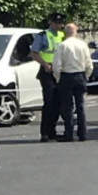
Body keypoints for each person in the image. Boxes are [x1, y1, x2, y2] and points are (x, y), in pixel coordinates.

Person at [52, 23, 93, 142]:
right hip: (80, 75)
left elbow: (57, 65)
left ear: (65, 32)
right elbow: (89, 64)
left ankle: (69, 134)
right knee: (80, 106)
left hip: (66, 76)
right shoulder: (83, 45)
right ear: (76, 32)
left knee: (67, 106)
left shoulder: (62, 46)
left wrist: (58, 78)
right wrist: (86, 76)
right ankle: (83, 133)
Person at [31, 12, 66, 142]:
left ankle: (53, 131)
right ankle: (45, 132)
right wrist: (45, 65)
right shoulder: (43, 35)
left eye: (61, 23)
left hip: (60, 70)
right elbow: (34, 53)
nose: (59, 25)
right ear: (50, 22)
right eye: (56, 23)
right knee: (49, 102)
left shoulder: (63, 35)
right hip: (47, 71)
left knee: (58, 102)